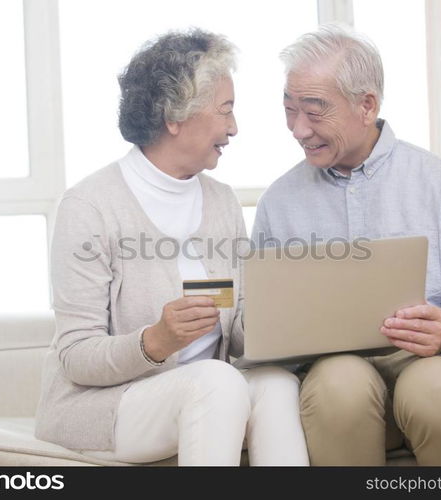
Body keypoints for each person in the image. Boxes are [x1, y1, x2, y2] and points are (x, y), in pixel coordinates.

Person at [34, 28, 308, 466]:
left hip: (209, 390)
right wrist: (156, 340)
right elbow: (75, 357)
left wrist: (279, 314)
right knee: (217, 382)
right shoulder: (90, 206)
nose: (234, 128)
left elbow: (236, 335)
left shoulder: (221, 202)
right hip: (105, 406)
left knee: (275, 383)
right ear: (175, 117)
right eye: (225, 111)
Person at [251, 24, 441, 465]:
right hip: (335, 380)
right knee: (340, 382)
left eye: (314, 111)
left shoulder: (439, 183)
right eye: (289, 109)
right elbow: (253, 320)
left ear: (366, 105)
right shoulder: (279, 202)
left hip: (438, 369)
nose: (298, 129)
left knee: (432, 388)